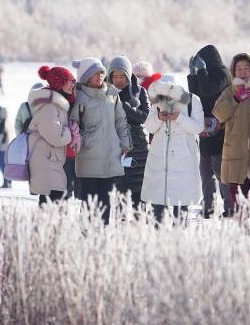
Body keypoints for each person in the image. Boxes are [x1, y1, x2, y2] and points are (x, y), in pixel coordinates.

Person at [71, 57, 131, 224]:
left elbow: (121, 121)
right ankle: (87, 237)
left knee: (106, 203)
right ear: (85, 77)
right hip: (88, 158)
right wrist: (86, 140)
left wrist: (125, 144)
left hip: (111, 158)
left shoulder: (112, 95)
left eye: (102, 73)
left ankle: (102, 237)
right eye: (95, 73)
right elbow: (73, 125)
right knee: (89, 204)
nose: (100, 76)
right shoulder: (79, 98)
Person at [142, 76, 204, 222]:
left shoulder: (192, 100)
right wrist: (158, 117)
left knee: (181, 207)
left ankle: (179, 240)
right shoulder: (157, 102)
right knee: (158, 206)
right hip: (159, 161)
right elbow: (149, 127)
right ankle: (158, 239)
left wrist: (179, 118)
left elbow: (198, 127)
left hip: (184, 161)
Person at [213, 52, 250, 210]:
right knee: (239, 203)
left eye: (246, 68)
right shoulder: (230, 91)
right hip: (236, 154)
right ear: (234, 71)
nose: (243, 71)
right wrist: (236, 99)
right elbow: (219, 114)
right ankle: (243, 232)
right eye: (239, 68)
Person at [187, 45, 232, 217]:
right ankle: (209, 208)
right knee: (205, 171)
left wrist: (202, 71)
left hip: (220, 130)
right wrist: (192, 73)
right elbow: (195, 93)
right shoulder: (204, 74)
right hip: (205, 129)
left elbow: (207, 90)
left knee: (220, 171)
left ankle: (229, 208)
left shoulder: (222, 74)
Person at [27, 66, 78, 204]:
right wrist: (70, 133)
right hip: (48, 160)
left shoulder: (61, 103)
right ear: (58, 83)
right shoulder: (49, 105)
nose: (72, 84)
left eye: (73, 80)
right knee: (52, 204)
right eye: (69, 81)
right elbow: (56, 136)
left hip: (56, 160)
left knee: (58, 202)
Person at [108, 56, 150, 208]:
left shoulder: (140, 91)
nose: (118, 80)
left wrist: (125, 108)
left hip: (138, 147)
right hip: (115, 147)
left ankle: (137, 226)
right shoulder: (105, 93)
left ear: (129, 75)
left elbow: (145, 117)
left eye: (122, 76)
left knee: (138, 191)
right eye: (115, 76)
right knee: (117, 191)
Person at [0, 106, 12, 188]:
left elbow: (0, 137)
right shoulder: (8, 123)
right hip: (8, 148)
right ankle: (9, 181)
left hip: (2, 148)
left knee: (3, 166)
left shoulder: (1, 124)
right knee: (7, 166)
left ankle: (6, 182)